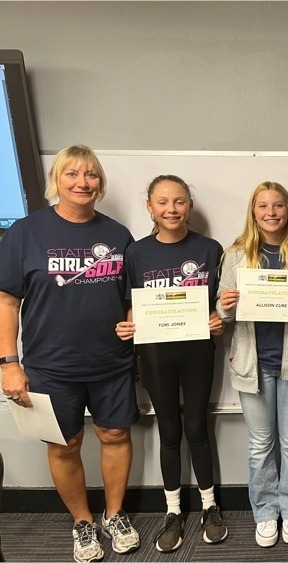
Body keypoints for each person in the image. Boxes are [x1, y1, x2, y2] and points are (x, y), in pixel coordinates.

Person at [0, 145, 140, 563]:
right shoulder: (25, 232)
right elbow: (6, 301)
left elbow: (132, 296)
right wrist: (8, 363)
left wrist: (134, 322)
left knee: (115, 435)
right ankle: (82, 522)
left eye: (92, 175)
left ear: (101, 182)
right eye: (72, 174)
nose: (83, 183)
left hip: (111, 362)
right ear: (56, 181)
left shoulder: (118, 235)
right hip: (50, 366)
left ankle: (114, 515)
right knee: (64, 445)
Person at [114, 175, 228, 552]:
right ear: (150, 207)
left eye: (179, 202)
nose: (171, 209)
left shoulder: (210, 249)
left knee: (197, 427)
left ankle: (210, 507)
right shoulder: (136, 253)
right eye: (162, 202)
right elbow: (132, 302)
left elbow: (219, 302)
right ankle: (173, 511)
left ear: (189, 206)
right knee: (169, 431)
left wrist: (217, 317)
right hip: (156, 354)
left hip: (197, 351)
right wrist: (129, 324)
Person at [216, 181, 288, 548]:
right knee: (260, 444)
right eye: (263, 206)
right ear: (253, 211)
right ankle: (265, 512)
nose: (271, 212)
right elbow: (222, 314)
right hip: (252, 363)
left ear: (287, 211)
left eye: (278, 205)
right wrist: (225, 305)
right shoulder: (235, 255)